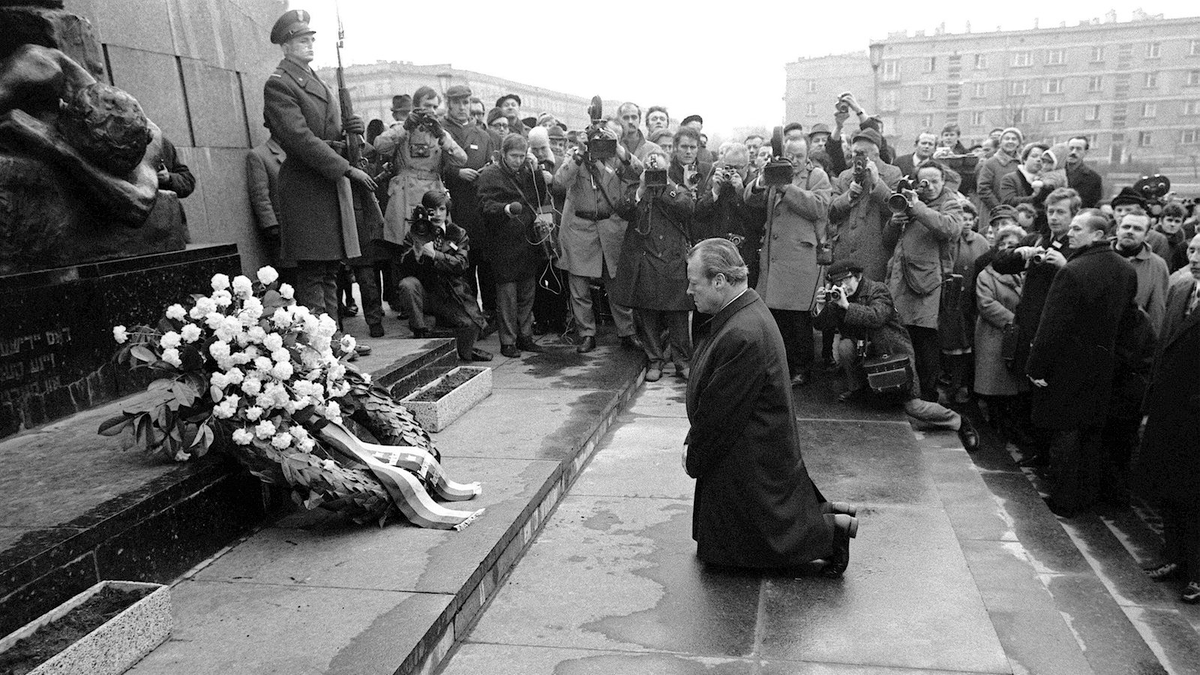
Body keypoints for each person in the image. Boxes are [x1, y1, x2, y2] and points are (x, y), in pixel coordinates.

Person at [683, 238, 858, 576]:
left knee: (759, 543)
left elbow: (720, 417)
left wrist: (694, 454)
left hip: (749, 453)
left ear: (719, 281)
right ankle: (826, 513)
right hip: (751, 446)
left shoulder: (742, 332)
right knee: (727, 545)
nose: (690, 291)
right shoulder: (743, 313)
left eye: (694, 284)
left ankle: (830, 534)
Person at [262, 9, 380, 321]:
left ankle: (334, 339)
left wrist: (348, 128)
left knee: (330, 268)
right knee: (313, 270)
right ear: (286, 46)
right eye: (302, 40)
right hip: (306, 186)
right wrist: (346, 168)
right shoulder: (280, 84)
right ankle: (320, 345)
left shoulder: (314, 80)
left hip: (324, 183)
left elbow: (324, 130)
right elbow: (300, 139)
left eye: (311, 38)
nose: (310, 44)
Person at [1026, 209, 1139, 518]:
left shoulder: (1074, 270)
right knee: (1091, 433)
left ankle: (1063, 500)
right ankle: (1088, 496)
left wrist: (1036, 367)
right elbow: (1128, 320)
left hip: (1067, 366)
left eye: (1078, 229)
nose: (1071, 233)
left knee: (1065, 433)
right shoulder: (1126, 270)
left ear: (1098, 235)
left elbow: (1052, 324)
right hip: (1104, 365)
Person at [812, 259, 980, 449]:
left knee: (913, 406)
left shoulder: (878, 290)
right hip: (867, 357)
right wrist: (820, 307)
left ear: (857, 276)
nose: (841, 287)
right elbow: (821, 325)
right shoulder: (840, 297)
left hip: (894, 355)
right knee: (845, 346)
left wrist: (847, 306)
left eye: (845, 281)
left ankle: (958, 421)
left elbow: (876, 316)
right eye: (837, 283)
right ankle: (857, 390)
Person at [1132, 232, 1200, 604]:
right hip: (1170, 410)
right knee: (1171, 491)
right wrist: (1150, 405)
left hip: (1194, 413)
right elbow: (1163, 350)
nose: (1195, 257)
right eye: (1193, 249)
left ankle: (1197, 572)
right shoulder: (1183, 289)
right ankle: (1175, 558)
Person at [744, 136, 831, 386]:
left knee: (799, 319)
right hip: (774, 259)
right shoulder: (776, 172)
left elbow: (818, 207)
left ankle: (802, 369)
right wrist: (762, 180)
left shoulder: (817, 177)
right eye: (789, 155)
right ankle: (780, 366)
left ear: (807, 157)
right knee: (776, 317)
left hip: (799, 259)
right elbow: (750, 199)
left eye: (798, 156)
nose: (793, 160)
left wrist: (785, 187)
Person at [555, 119, 644, 353]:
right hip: (580, 229)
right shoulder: (577, 156)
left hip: (611, 228)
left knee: (616, 284)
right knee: (579, 287)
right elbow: (560, 181)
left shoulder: (618, 158)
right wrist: (580, 154)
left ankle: (627, 332)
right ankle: (586, 334)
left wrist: (620, 151)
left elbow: (640, 173)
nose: (602, 143)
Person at [883, 160, 964, 403]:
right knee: (901, 340)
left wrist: (916, 207)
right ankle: (903, 392)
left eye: (935, 181)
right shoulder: (907, 200)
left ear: (943, 182)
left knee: (926, 343)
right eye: (924, 181)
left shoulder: (949, 202)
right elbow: (888, 242)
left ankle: (927, 398)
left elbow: (950, 228)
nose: (929, 186)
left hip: (929, 285)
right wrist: (893, 223)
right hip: (899, 281)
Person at [610, 150, 693, 381]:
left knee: (677, 315)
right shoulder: (637, 190)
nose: (656, 174)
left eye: (660, 170)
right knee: (647, 314)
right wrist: (643, 187)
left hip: (673, 261)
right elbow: (622, 208)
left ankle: (682, 361)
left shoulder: (677, 189)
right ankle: (654, 360)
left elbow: (687, 207)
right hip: (645, 260)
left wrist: (665, 186)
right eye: (652, 170)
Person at [477, 134, 552, 358]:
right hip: (504, 242)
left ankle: (525, 336)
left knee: (527, 293)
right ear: (503, 154)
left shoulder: (527, 172)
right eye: (514, 156)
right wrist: (506, 208)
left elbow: (540, 198)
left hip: (527, 241)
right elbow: (484, 206)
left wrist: (536, 169)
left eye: (522, 156)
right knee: (507, 297)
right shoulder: (490, 175)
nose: (518, 161)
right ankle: (508, 341)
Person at [395, 191, 492, 361]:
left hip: (452, 294)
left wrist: (435, 255)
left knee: (470, 328)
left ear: (447, 211)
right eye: (432, 210)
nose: (437, 214)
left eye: (441, 209)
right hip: (426, 292)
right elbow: (402, 268)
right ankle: (420, 332)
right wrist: (415, 255)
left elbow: (461, 264)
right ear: (425, 212)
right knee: (407, 284)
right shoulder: (415, 233)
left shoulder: (457, 233)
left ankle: (460, 345)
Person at [373, 86, 467, 250]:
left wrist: (442, 136)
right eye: (427, 105)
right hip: (405, 193)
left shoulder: (440, 133)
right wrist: (405, 127)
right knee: (405, 246)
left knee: (435, 245)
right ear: (416, 106)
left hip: (433, 192)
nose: (431, 110)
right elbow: (379, 145)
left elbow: (461, 159)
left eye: (435, 107)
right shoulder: (402, 129)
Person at [441, 84, 498, 321]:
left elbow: (492, 166)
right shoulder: (441, 131)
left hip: (479, 209)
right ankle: (469, 315)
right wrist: (456, 173)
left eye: (466, 102)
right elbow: (434, 167)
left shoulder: (482, 135)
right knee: (462, 265)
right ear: (449, 104)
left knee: (485, 264)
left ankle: (491, 314)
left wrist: (485, 172)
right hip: (454, 207)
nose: (463, 108)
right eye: (458, 103)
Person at [973, 224, 1029, 443]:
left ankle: (1009, 427)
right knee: (996, 383)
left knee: (1013, 386)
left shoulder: (1025, 274)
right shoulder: (987, 275)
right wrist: (1015, 322)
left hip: (1017, 336)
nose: (1008, 249)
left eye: (1013, 245)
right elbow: (986, 304)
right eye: (1004, 245)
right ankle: (996, 427)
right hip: (995, 334)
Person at [828, 127, 902, 282]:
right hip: (844, 255)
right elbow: (831, 212)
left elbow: (895, 209)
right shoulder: (844, 176)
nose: (857, 157)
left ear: (876, 154)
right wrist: (847, 196)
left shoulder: (892, 173)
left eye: (862, 153)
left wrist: (877, 182)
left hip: (875, 256)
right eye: (855, 152)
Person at [695, 142, 758, 285]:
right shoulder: (717, 179)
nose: (732, 172)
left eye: (738, 168)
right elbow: (698, 213)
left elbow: (757, 221)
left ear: (747, 167)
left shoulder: (754, 185)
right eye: (729, 167)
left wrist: (742, 193)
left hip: (744, 256)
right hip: (718, 254)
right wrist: (714, 192)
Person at [1113, 212, 1169, 335]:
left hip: (1130, 338)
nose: (1130, 231)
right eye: (1126, 227)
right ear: (1117, 230)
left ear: (1147, 235)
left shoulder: (1157, 265)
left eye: (1137, 229)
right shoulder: (1099, 256)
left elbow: (1156, 311)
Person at [246, 135, 289, 272]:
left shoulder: (298, 150)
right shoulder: (259, 155)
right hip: (283, 231)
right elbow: (260, 195)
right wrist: (271, 226)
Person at [977, 127, 1022, 225]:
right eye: (1007, 139)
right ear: (1000, 143)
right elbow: (983, 189)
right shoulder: (991, 163)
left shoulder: (1022, 164)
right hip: (992, 213)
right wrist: (999, 209)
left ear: (1019, 143)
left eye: (1014, 139)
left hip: (1017, 213)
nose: (1010, 141)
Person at [1064, 136, 1102, 208]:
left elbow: (1094, 205)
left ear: (1086, 152)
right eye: (1071, 148)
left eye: (1078, 149)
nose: (1073, 152)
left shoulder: (1093, 178)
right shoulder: (1056, 173)